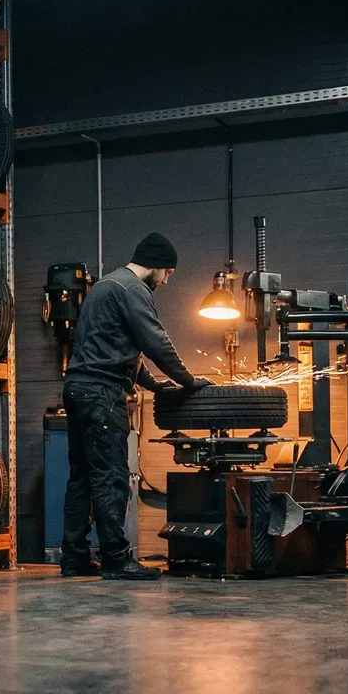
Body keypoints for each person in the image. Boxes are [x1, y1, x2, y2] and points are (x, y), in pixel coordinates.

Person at [60, 232, 212, 580]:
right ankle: (116, 559)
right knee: (110, 476)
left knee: (82, 477)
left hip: (79, 389)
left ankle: (74, 557)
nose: (168, 280)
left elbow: (119, 352)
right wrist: (188, 381)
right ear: (156, 265)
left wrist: (156, 385)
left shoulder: (104, 287)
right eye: (169, 272)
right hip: (102, 395)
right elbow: (156, 341)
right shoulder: (133, 290)